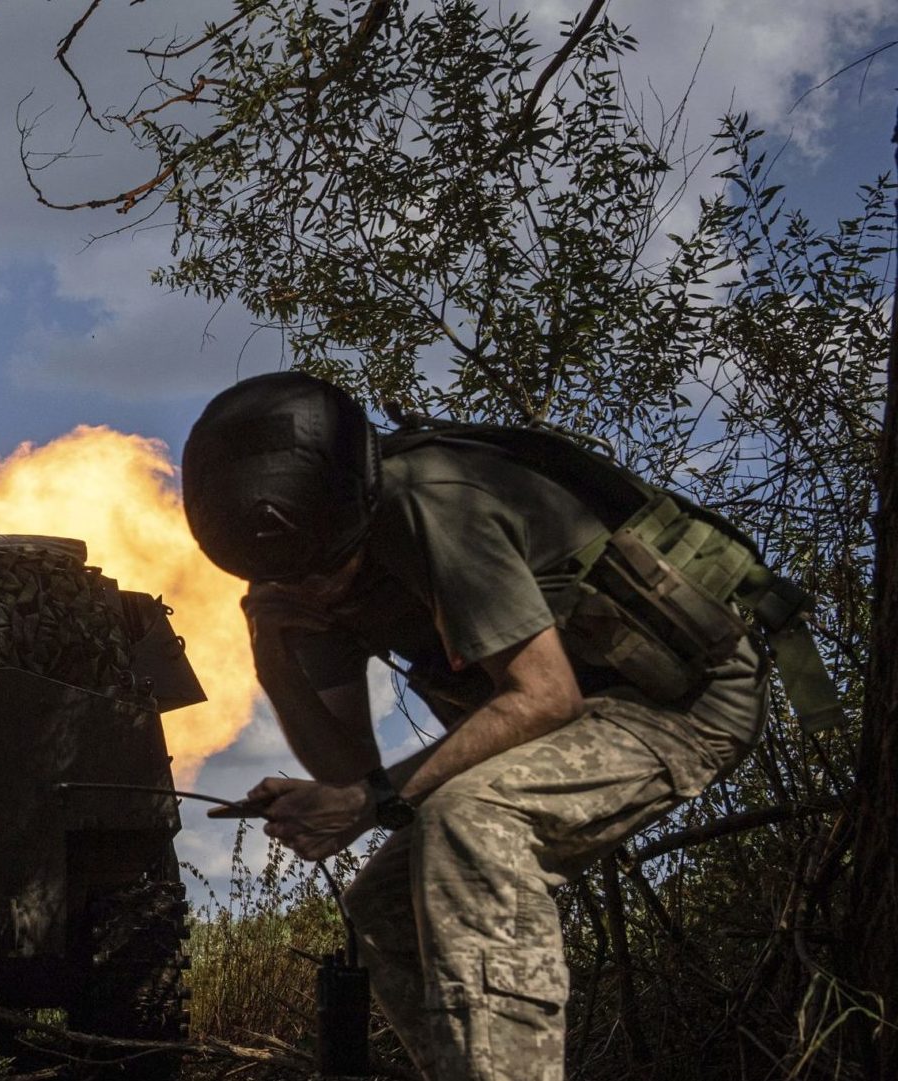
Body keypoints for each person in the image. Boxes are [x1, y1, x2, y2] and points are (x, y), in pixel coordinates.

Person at [181, 372, 766, 1081]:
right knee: (383, 904)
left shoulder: (434, 502)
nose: (312, 591)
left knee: (467, 819)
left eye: (325, 572)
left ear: (356, 510)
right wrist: (273, 651)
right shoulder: (297, 564)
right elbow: (349, 773)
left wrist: (371, 800)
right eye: (290, 580)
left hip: (678, 700)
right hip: (571, 713)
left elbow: (545, 696)